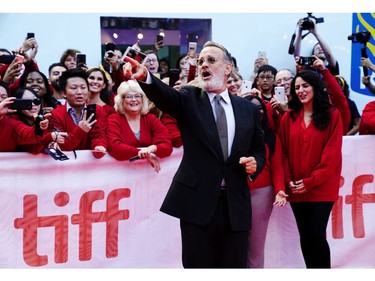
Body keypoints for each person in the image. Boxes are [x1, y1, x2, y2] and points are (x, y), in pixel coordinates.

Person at [123, 40, 266, 268]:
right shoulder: (189, 98)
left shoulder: (248, 109)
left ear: (228, 68)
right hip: (197, 204)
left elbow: (259, 149)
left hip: (235, 206)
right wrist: (145, 77)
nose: (203, 65)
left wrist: (254, 164)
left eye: (211, 60)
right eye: (200, 61)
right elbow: (165, 96)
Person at [278, 69, 343, 268]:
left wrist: (310, 182)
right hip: (296, 188)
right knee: (305, 236)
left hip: (321, 189)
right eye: (297, 87)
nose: (301, 90)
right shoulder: (288, 117)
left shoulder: (332, 116)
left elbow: (331, 156)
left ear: (316, 87)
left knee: (316, 233)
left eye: (305, 86)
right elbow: (283, 153)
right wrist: (289, 181)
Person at [243, 95, 288, 268]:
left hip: (261, 194)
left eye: (260, 107)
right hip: (235, 193)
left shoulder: (271, 137)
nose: (257, 111)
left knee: (256, 245)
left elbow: (277, 167)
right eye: (252, 107)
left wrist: (279, 190)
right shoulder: (235, 135)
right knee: (235, 244)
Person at [107, 80, 172, 172]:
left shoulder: (151, 119)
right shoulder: (114, 119)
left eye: (137, 96)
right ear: (121, 101)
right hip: (120, 174)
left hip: (149, 175)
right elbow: (115, 147)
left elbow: (167, 146)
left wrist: (153, 148)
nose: (134, 100)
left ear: (143, 99)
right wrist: (142, 154)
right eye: (129, 96)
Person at [49, 68, 107, 159]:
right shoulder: (55, 115)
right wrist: (81, 130)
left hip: (92, 165)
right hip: (65, 166)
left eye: (83, 88)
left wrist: (98, 147)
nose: (79, 92)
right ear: (64, 93)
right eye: (74, 88)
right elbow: (63, 145)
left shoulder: (97, 110)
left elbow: (99, 135)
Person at [10, 87, 66, 154]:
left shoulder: (48, 118)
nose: (33, 104)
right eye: (26, 102)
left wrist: (52, 143)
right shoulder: (12, 121)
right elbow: (33, 146)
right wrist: (44, 131)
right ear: (18, 104)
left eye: (36, 101)